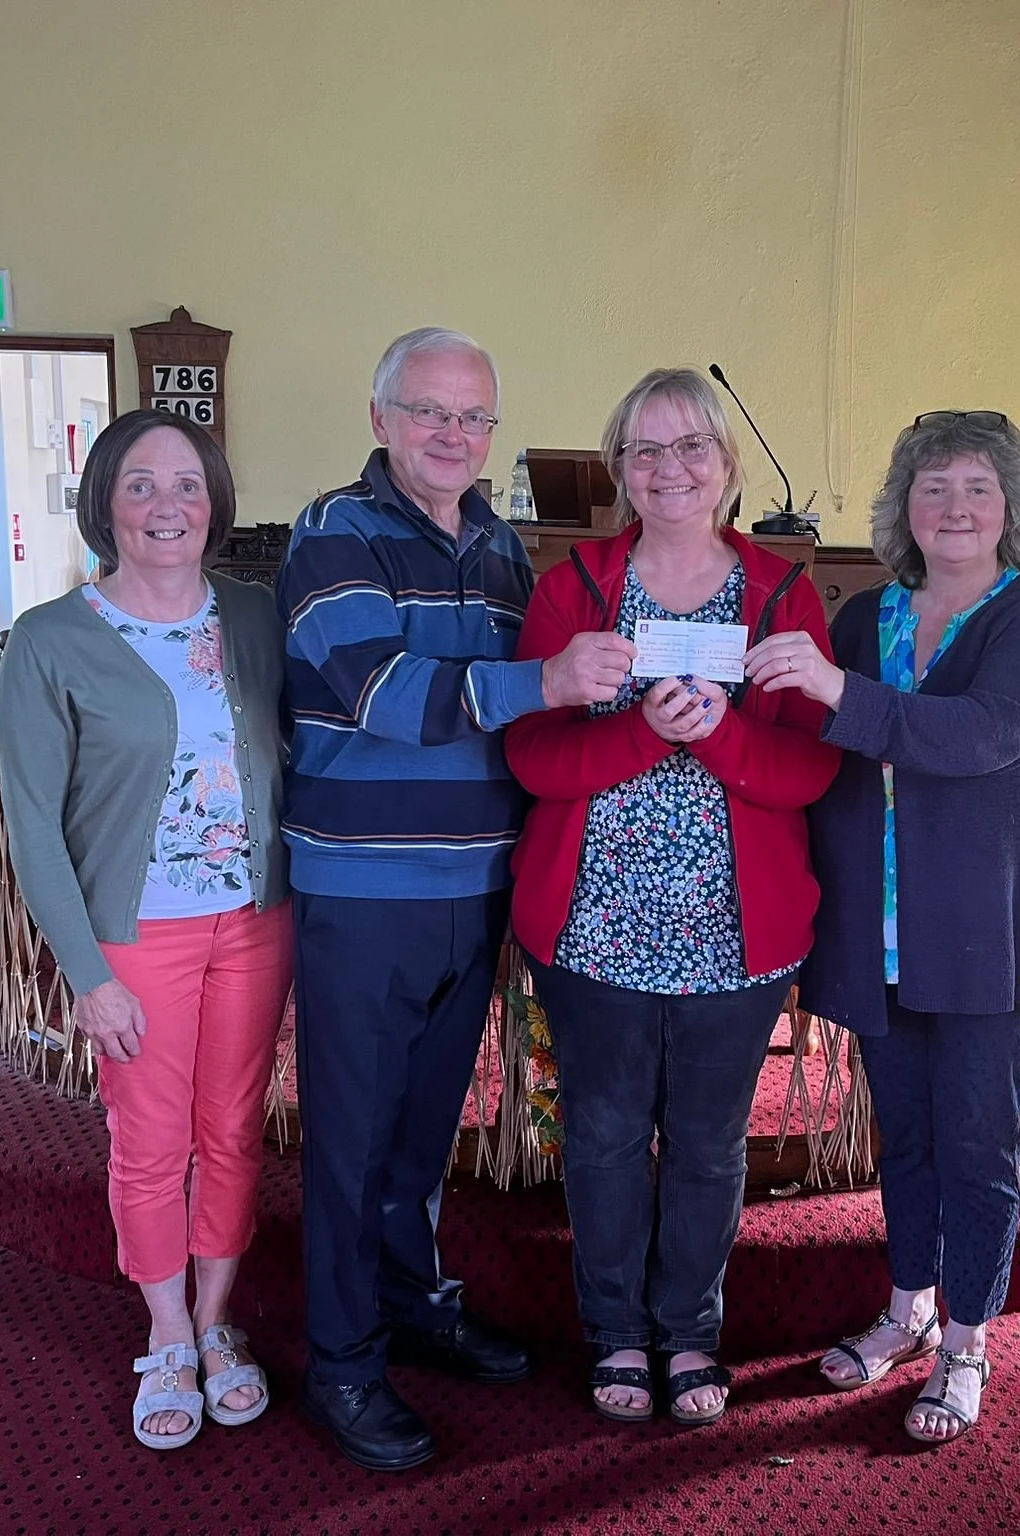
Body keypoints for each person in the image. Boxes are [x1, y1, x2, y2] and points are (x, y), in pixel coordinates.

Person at [279, 327, 632, 1471]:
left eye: (472, 417)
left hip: (473, 882)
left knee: (422, 1131)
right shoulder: (334, 532)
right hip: (363, 888)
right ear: (379, 416)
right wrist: (548, 678)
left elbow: (516, 721)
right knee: (350, 1139)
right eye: (427, 410)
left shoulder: (498, 546)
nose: (450, 434)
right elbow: (383, 695)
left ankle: (409, 1303)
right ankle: (342, 1363)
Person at [506, 367, 841, 1427]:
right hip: (595, 922)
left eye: (692, 445)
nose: (670, 469)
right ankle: (614, 1331)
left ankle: (688, 1333)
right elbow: (529, 757)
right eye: (645, 450)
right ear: (620, 469)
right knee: (604, 1134)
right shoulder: (575, 587)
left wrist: (723, 733)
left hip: (733, 931)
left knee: (706, 1142)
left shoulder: (781, 594)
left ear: (727, 463)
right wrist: (644, 734)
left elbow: (811, 770)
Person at [746, 410, 1020, 1443]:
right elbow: (819, 745)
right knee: (905, 1140)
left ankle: (967, 1342)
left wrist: (833, 688)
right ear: (903, 507)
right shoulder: (865, 618)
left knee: (977, 1147)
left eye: (977, 487)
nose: (954, 507)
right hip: (880, 928)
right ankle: (908, 1310)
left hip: (988, 926)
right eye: (931, 487)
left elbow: (977, 736)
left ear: (1010, 507)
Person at [0, 408, 292, 1452]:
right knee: (152, 1141)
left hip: (254, 923)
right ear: (104, 505)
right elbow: (32, 824)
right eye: (141, 485)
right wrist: (86, 973)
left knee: (232, 1129)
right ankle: (165, 1333)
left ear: (215, 504)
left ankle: (216, 1321)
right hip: (136, 935)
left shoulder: (253, 616)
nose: (168, 505)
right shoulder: (50, 641)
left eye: (188, 485)